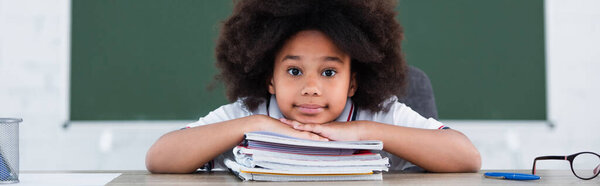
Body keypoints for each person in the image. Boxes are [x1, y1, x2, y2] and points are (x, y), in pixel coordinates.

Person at [146, 0, 481, 174]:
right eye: (294, 70)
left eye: (329, 73)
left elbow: (466, 157)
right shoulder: (251, 112)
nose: (310, 87)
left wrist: (363, 130)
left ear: (353, 81)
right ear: (270, 78)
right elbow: (159, 158)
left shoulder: (379, 113)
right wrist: (256, 125)